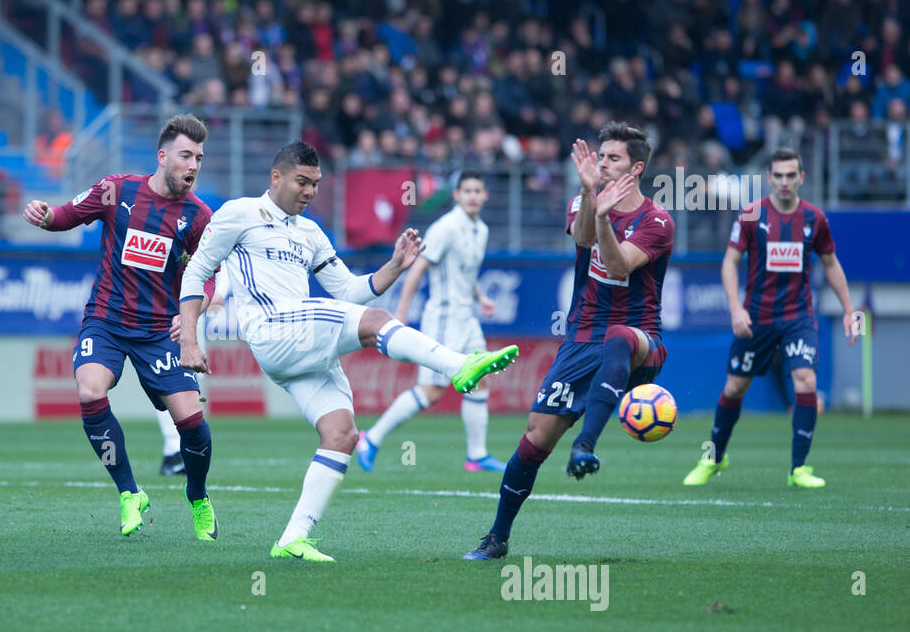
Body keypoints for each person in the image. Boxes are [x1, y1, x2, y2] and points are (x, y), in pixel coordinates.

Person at [177, 141, 517, 562]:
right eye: (302, 182)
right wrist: (190, 338)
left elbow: (349, 290)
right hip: (272, 329)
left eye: (316, 184)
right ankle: (460, 365)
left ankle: (292, 539)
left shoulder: (311, 232)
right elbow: (198, 269)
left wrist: (394, 266)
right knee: (374, 323)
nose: (309, 191)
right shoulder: (238, 213)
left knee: (341, 434)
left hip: (301, 345)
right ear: (276, 177)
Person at [463, 124, 674, 561]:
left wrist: (602, 217)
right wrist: (592, 201)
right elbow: (582, 240)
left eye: (613, 158)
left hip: (640, 340)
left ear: (636, 168)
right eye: (600, 156)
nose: (602, 164)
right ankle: (497, 537)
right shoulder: (584, 200)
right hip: (581, 337)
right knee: (534, 438)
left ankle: (586, 446)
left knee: (619, 337)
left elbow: (618, 268)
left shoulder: (657, 221)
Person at [22, 114, 218, 540]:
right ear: (162, 156)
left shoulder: (199, 216)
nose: (194, 165)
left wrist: (187, 321)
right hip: (106, 321)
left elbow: (207, 276)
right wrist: (42, 215)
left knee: (193, 424)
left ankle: (198, 497)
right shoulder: (117, 190)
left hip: (157, 331)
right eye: (186, 155)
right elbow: (66, 215)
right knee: (90, 388)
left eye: (199, 158)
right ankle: (129, 492)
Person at [682, 148, 857, 489]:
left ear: (801, 178)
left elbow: (831, 263)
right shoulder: (751, 215)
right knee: (735, 387)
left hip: (798, 316)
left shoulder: (815, 219)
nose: (784, 182)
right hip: (758, 317)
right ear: (769, 178)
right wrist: (735, 308)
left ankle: (799, 469)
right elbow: (730, 262)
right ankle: (714, 458)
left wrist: (850, 310)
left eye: (791, 175)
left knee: (805, 380)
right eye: (778, 175)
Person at [357, 170, 504, 473]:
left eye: (478, 191)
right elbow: (419, 267)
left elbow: (464, 272)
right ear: (456, 195)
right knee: (433, 392)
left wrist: (480, 298)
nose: (473, 196)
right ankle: (371, 438)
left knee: (481, 378)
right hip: (444, 318)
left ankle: (476, 455)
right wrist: (402, 310)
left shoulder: (482, 229)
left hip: (467, 318)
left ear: (485, 195)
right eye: (467, 191)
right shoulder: (446, 227)